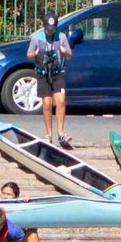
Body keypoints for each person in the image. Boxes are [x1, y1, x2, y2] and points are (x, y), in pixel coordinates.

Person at [28, 14, 74, 148]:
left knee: (60, 100)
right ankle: (48, 134)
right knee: (47, 103)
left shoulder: (61, 37)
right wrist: (36, 53)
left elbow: (69, 55)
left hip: (57, 73)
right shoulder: (37, 37)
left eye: (52, 29)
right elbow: (29, 54)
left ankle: (61, 133)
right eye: (48, 29)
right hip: (43, 73)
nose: (50, 31)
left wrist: (65, 51)